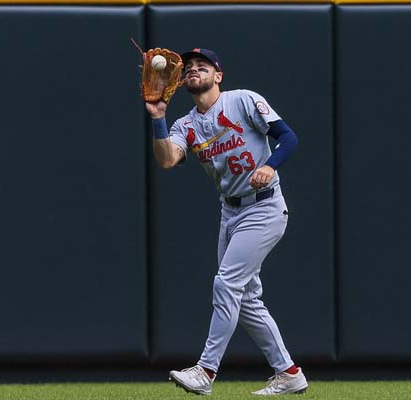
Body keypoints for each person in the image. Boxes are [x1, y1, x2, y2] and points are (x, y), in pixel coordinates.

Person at [146, 48, 307, 396]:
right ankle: (289, 373)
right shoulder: (185, 124)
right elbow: (167, 159)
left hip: (264, 208)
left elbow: (288, 137)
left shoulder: (243, 100)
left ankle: (206, 370)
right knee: (246, 299)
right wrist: (158, 117)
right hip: (230, 211)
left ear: (218, 76)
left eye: (202, 66)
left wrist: (270, 165)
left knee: (226, 285)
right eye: (188, 67)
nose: (193, 69)